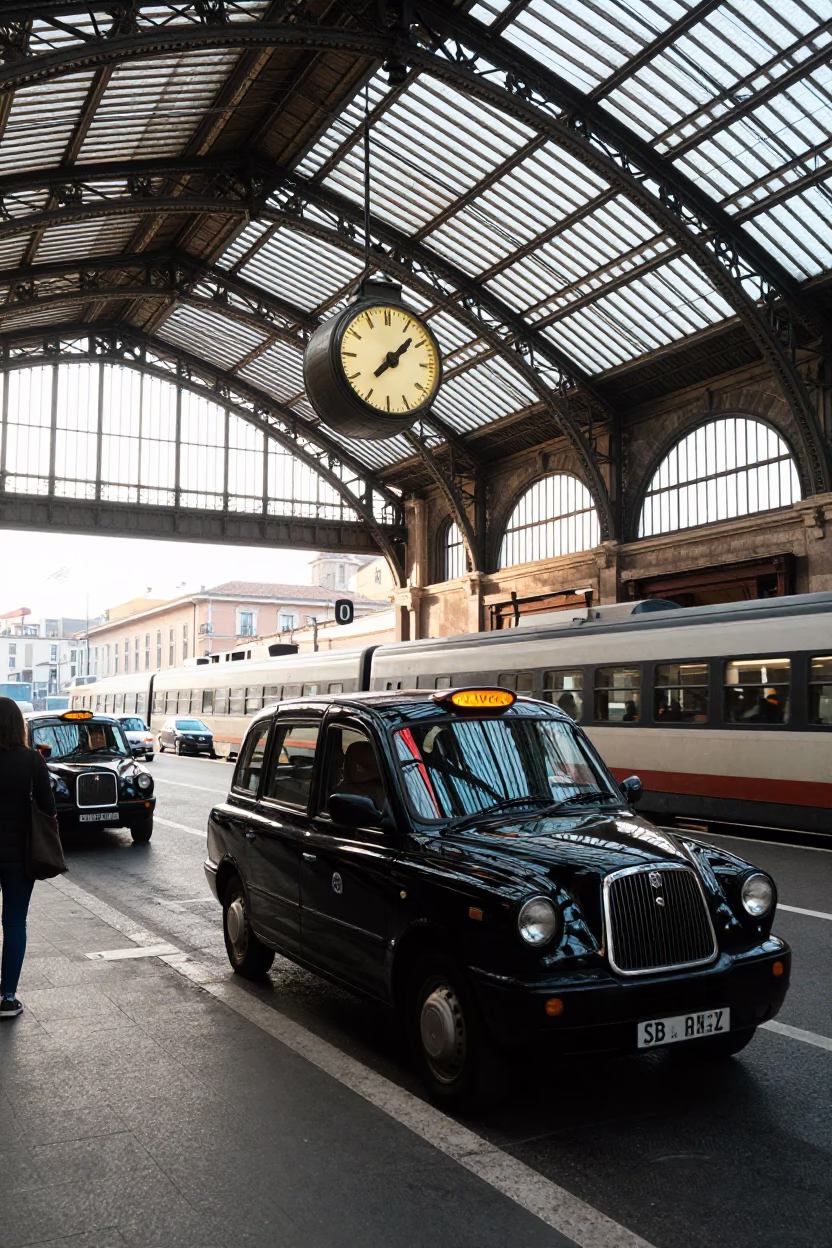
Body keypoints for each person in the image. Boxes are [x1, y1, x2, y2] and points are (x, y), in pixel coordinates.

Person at [0, 696, 56, 1018]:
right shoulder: (32, 761)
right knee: (14, 922)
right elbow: (48, 809)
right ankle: (7, 997)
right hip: (20, 856)